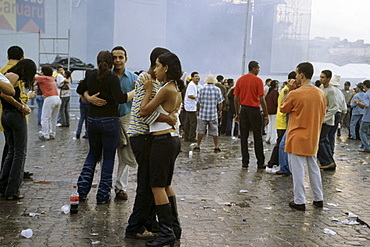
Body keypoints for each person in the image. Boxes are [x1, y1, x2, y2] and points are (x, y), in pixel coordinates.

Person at [125, 47, 177, 240]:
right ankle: (135, 227)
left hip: (151, 137)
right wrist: (168, 118)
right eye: (162, 64)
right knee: (147, 184)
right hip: (142, 136)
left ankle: (150, 222)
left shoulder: (158, 82)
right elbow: (143, 113)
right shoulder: (145, 80)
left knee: (152, 183)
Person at [76, 51, 134, 204]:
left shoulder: (91, 76)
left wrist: (89, 98)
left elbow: (79, 90)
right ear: (111, 63)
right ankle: (102, 195)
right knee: (108, 158)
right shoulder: (112, 78)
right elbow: (120, 99)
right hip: (110, 121)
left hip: (93, 120)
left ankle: (82, 190)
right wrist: (135, 91)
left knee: (92, 155)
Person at [140, 52, 183, 247]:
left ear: (165, 68)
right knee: (165, 184)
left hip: (163, 141)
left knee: (157, 185)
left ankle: (166, 232)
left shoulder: (166, 89)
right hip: (171, 139)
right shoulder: (176, 88)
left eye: (157, 66)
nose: (154, 69)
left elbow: (144, 111)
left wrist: (148, 89)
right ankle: (174, 227)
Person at [280, 62, 326, 211]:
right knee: (313, 167)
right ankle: (318, 198)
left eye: (296, 73)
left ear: (302, 75)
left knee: (298, 169)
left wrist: (289, 90)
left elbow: (283, 108)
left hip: (297, 135)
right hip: (313, 135)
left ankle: (300, 200)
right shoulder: (320, 93)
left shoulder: (295, 93)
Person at [0, 59, 36, 200]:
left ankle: (3, 186)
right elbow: (4, 94)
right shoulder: (14, 77)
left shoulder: (7, 74)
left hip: (6, 115)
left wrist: (21, 103)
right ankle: (13, 189)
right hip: (15, 116)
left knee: (11, 151)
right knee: (19, 153)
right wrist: (21, 106)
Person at [111, 46, 138, 201]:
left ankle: (121, 188)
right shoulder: (107, 76)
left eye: (120, 57)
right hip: (108, 119)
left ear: (126, 59)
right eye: (115, 57)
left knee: (125, 154)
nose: (117, 61)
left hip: (127, 119)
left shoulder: (133, 78)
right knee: (106, 155)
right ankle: (105, 184)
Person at [234, 61, 268, 169]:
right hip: (254, 110)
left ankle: (245, 162)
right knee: (257, 136)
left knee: (244, 136)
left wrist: (237, 113)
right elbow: (262, 99)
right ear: (254, 68)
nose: (258, 70)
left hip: (243, 109)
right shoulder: (258, 81)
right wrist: (266, 114)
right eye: (258, 68)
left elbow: (236, 98)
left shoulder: (240, 80)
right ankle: (260, 161)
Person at [193, 74, 223, 152]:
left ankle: (198, 145)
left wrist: (198, 111)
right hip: (213, 113)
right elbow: (220, 102)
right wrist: (220, 111)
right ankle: (216, 146)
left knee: (200, 130)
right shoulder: (217, 90)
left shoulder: (202, 89)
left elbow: (198, 102)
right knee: (215, 131)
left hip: (203, 113)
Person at [317, 70, 338, 171]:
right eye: (320, 77)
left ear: (328, 79)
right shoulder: (321, 88)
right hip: (321, 118)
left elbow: (334, 107)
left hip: (326, 120)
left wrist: (324, 119)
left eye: (323, 77)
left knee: (321, 141)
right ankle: (328, 161)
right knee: (324, 141)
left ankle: (327, 161)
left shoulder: (331, 91)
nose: (321, 79)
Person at [36, 66, 61, 140]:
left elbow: (33, 77)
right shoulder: (52, 78)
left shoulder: (43, 78)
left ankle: (45, 135)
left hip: (49, 98)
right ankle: (52, 133)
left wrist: (33, 71)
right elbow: (43, 76)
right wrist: (38, 73)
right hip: (57, 98)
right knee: (54, 118)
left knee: (45, 118)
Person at [75, 70, 94, 139]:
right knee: (88, 119)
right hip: (89, 102)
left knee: (82, 117)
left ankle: (78, 132)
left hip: (82, 102)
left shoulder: (82, 82)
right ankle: (87, 133)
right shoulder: (92, 83)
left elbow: (79, 91)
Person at [183, 72, 201, 142]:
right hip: (191, 107)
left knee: (188, 122)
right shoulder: (192, 85)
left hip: (189, 106)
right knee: (193, 123)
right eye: (195, 76)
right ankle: (191, 137)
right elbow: (190, 95)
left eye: (198, 76)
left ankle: (187, 136)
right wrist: (198, 97)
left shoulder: (192, 85)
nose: (197, 78)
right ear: (192, 78)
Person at [355, 80, 370, 152]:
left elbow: (366, 105)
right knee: (366, 132)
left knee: (362, 131)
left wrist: (357, 102)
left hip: (367, 116)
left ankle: (366, 147)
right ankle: (363, 146)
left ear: (365, 86)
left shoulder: (366, 94)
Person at [265, 80, 279, 145]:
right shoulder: (275, 92)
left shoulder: (269, 93)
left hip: (269, 111)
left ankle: (268, 138)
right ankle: (273, 140)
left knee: (270, 125)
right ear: (276, 85)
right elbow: (276, 102)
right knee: (274, 125)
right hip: (274, 111)